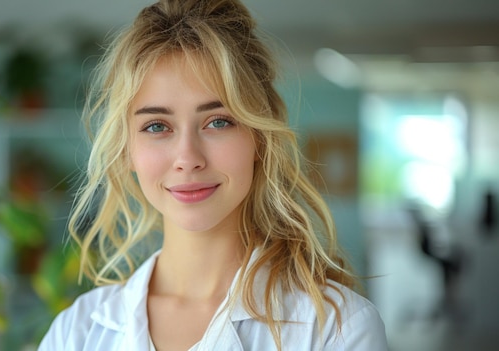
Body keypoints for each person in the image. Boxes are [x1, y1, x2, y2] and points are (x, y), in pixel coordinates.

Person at [38, 0, 387, 350]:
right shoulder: (77, 331)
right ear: (126, 148)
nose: (187, 158)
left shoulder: (336, 328)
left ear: (259, 137)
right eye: (157, 126)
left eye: (218, 121)